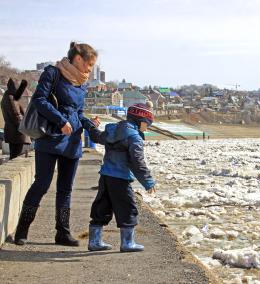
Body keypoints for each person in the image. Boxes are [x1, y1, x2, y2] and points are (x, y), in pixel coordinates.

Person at [14, 42, 100, 246]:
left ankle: (62, 233)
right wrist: (60, 121)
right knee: (42, 184)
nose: (90, 69)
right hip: (50, 138)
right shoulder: (53, 73)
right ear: (78, 58)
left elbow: (77, 113)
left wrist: (89, 123)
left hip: (72, 141)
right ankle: (22, 229)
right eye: (90, 64)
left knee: (65, 189)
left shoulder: (82, 83)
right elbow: (39, 100)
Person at [87, 102, 156, 252]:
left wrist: (91, 125)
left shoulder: (112, 129)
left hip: (105, 176)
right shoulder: (134, 138)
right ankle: (127, 243)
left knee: (102, 206)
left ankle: (94, 241)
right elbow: (137, 163)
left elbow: (96, 136)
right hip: (121, 178)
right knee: (127, 208)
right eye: (147, 124)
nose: (147, 127)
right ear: (140, 121)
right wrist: (148, 182)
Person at [0, 79, 31, 159]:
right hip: (16, 132)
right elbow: (16, 115)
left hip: (12, 131)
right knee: (16, 156)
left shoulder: (7, 97)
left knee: (14, 155)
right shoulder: (11, 98)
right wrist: (24, 127)